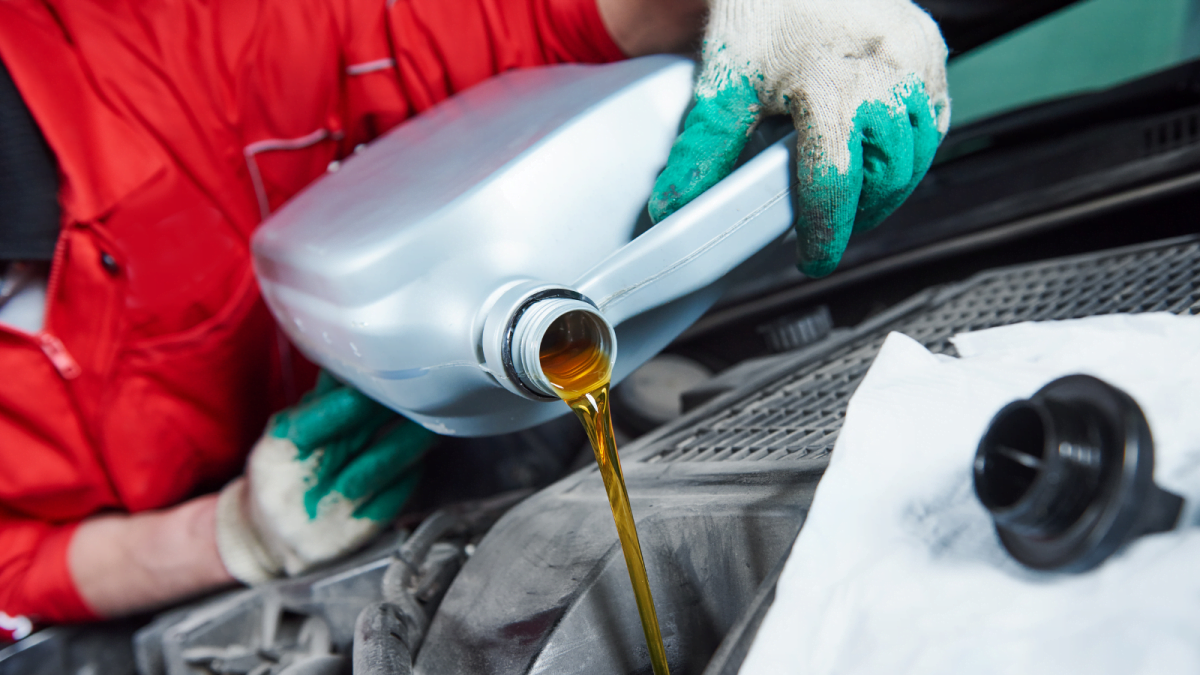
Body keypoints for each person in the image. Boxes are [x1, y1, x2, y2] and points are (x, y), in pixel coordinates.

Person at [0, 0, 949, 635]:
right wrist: (231, 537)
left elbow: (505, 19)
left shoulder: (158, 47)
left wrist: (747, 7)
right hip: (305, 492)